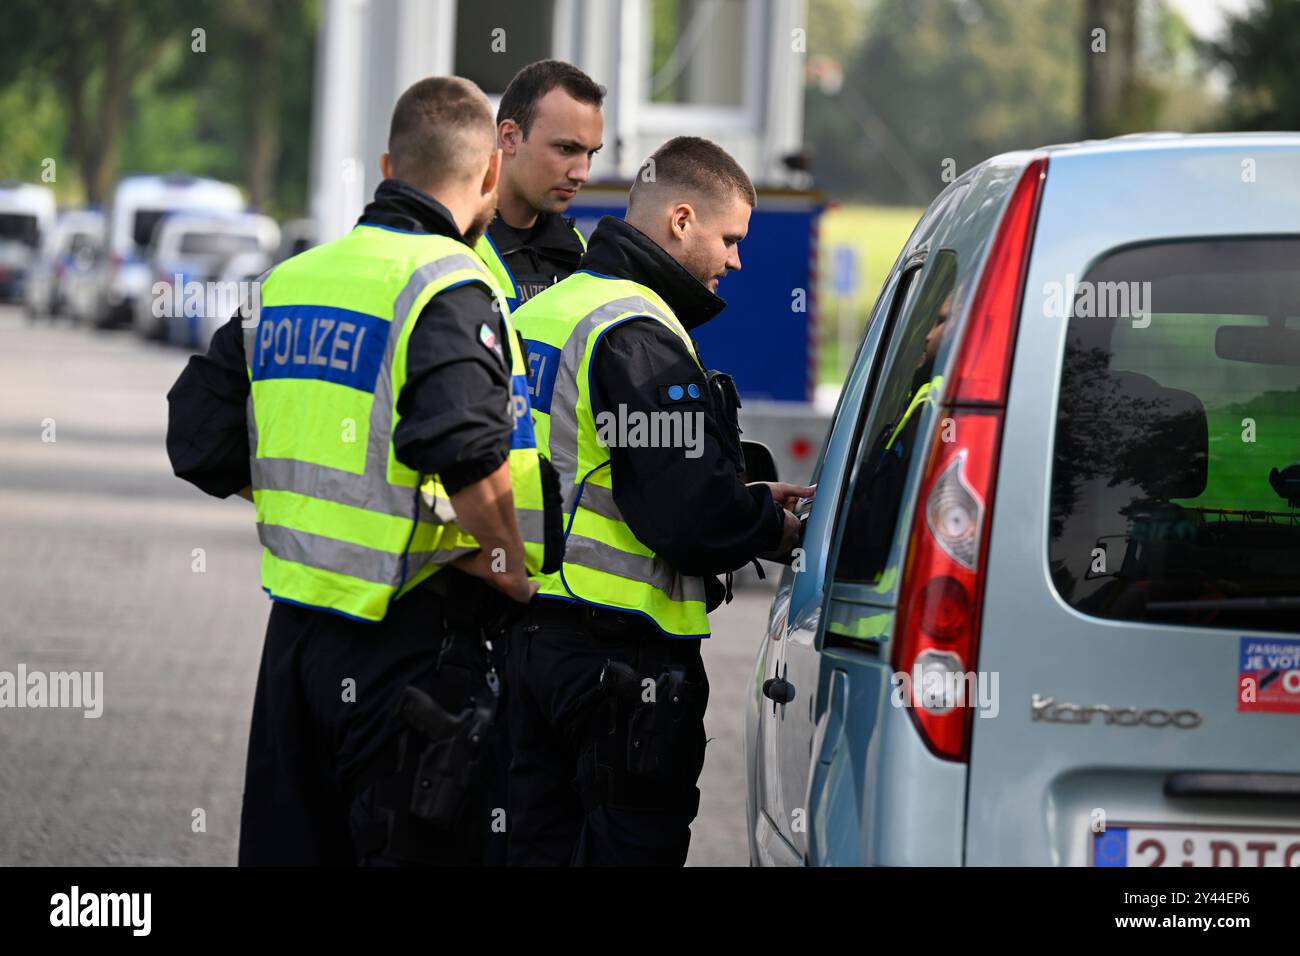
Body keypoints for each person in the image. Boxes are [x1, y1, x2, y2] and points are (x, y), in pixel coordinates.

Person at [165, 75, 558, 865]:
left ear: (388, 163)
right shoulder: (449, 285)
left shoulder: (290, 281)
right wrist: (511, 569)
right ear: (488, 175)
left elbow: (197, 438)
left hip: (297, 646)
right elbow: (468, 452)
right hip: (411, 645)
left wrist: (321, 502)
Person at [505, 136, 812, 866]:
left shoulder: (544, 312)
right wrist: (774, 524)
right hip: (618, 664)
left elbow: (602, 467)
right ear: (681, 220)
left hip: (523, 641)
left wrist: (737, 493)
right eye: (730, 238)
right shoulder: (638, 334)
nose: (736, 260)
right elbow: (690, 519)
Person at [474, 59, 605, 311]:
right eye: (566, 149)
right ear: (510, 137)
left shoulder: (580, 252)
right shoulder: (451, 241)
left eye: (591, 153)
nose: (582, 174)